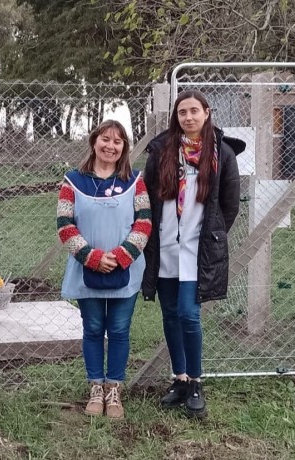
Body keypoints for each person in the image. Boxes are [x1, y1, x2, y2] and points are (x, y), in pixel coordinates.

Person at [141, 90, 242, 419]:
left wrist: (211, 236)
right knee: (170, 314)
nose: (188, 117)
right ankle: (179, 379)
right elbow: (148, 197)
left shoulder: (222, 154)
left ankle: (196, 381)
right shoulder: (161, 152)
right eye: (182, 112)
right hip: (166, 246)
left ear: (207, 113)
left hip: (197, 251)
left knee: (188, 313)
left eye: (194, 111)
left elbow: (229, 206)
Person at [57, 120, 151, 420]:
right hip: (88, 269)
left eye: (118, 141)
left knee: (120, 330)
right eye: (105, 139)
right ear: (94, 141)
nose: (111, 146)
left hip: (126, 270)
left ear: (124, 147)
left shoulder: (136, 181)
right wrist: (92, 256)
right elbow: (65, 224)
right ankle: (95, 387)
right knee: (94, 328)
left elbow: (144, 222)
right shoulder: (72, 182)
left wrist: (124, 255)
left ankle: (114, 391)